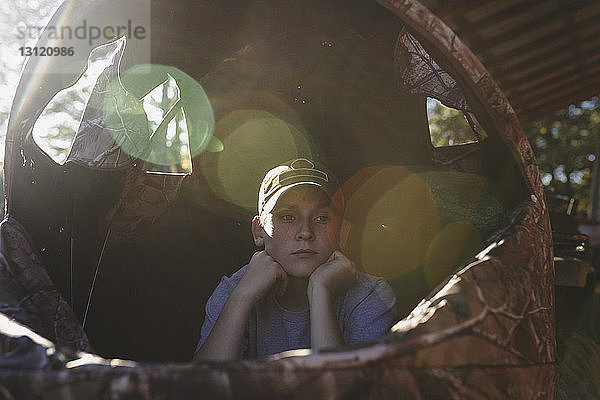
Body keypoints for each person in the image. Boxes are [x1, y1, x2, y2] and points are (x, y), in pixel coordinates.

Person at [193, 158, 396, 361]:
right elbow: (202, 388)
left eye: (322, 218)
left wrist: (320, 290)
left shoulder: (370, 294)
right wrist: (242, 297)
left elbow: (338, 390)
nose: (305, 232)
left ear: (342, 233)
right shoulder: (234, 290)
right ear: (259, 231)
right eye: (287, 217)